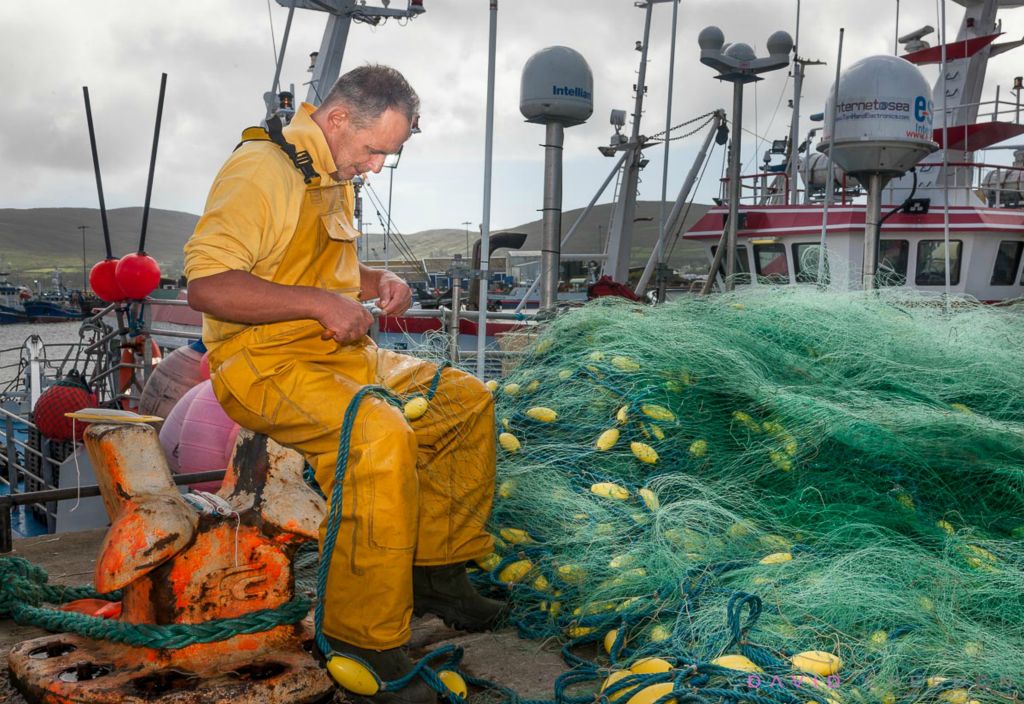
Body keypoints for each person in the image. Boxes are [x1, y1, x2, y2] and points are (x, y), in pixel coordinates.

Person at [183, 65, 501, 704]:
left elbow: (320, 265)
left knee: (465, 402)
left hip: (339, 358)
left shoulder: (332, 171)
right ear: (335, 121)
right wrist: (319, 304)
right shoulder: (262, 170)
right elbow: (209, 286)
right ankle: (361, 641)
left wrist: (372, 280)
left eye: (391, 153)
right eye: (375, 150)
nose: (379, 166)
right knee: (377, 434)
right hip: (263, 363)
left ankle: (437, 572)